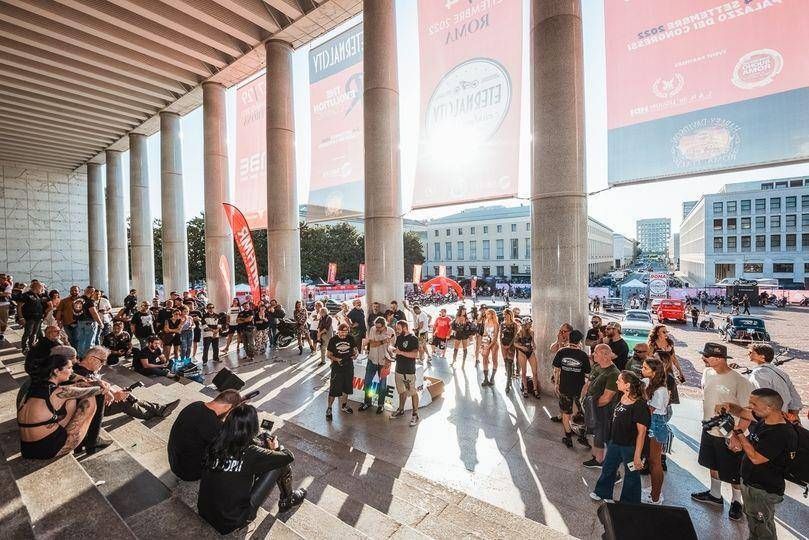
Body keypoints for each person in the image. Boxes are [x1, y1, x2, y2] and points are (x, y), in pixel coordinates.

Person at [197, 404, 306, 534]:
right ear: (253, 427)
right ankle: (287, 500)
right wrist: (276, 449)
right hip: (232, 521)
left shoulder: (215, 442)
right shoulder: (250, 452)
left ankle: (287, 499)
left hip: (205, 510)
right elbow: (288, 457)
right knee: (279, 464)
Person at [721, 389, 799, 540]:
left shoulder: (780, 433)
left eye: (754, 404)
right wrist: (729, 406)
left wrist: (738, 434)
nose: (750, 406)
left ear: (769, 408)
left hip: (762, 490)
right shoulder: (766, 418)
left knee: (763, 529)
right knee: (754, 523)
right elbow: (743, 412)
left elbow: (756, 458)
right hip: (751, 484)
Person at [691, 342, 754, 522]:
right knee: (713, 464)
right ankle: (715, 494)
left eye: (707, 356)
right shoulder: (707, 372)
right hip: (710, 428)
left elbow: (747, 412)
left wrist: (737, 435)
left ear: (719, 359)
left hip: (730, 434)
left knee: (734, 471)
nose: (703, 358)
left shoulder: (741, 382)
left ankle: (736, 502)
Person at [17, 353, 104, 459]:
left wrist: (87, 381)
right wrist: (104, 387)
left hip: (27, 449)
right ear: (56, 371)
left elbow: (73, 386)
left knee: (72, 397)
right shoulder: (58, 392)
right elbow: (94, 390)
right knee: (89, 400)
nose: (72, 371)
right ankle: (90, 442)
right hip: (47, 451)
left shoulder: (34, 387)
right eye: (70, 368)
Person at [73, 346, 179, 422]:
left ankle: (159, 409)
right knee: (124, 402)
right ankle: (150, 415)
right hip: (91, 409)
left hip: (96, 404)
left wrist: (116, 393)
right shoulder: (82, 375)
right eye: (102, 361)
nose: (103, 365)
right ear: (91, 359)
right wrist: (115, 396)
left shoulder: (83, 370)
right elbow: (90, 397)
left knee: (127, 395)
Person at [590, 371, 650, 503]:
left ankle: (629, 502)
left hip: (630, 447)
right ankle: (602, 492)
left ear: (627, 385)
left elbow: (642, 432)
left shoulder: (639, 405)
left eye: (619, 380)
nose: (616, 382)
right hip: (615, 442)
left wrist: (637, 455)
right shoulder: (621, 396)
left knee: (631, 475)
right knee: (608, 467)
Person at [167, 390, 242, 481]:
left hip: (174, 461)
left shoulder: (195, 405)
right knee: (233, 459)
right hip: (188, 473)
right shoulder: (213, 425)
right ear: (228, 407)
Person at [582, 344, 621, 468]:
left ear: (605, 355)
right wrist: (583, 399)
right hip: (592, 407)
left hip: (604, 411)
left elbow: (606, 398)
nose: (593, 355)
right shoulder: (597, 366)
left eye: (596, 353)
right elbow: (588, 383)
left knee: (601, 435)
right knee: (595, 433)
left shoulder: (614, 373)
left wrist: (590, 405)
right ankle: (596, 457)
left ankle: (601, 461)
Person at [742, 343, 803, 420]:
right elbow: (795, 399)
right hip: (784, 417)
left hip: (768, 418)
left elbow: (763, 398)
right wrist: (793, 417)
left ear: (762, 357)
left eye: (751, 352)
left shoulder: (758, 373)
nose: (748, 354)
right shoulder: (781, 373)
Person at [552, 330, 590, 448]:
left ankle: (568, 438)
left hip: (564, 387)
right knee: (582, 413)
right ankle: (582, 436)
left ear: (568, 339)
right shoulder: (583, 355)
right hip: (579, 389)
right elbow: (588, 373)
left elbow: (557, 369)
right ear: (580, 341)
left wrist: (556, 384)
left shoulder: (561, 351)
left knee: (565, 413)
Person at [641, 357, 671, 505]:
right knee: (651, 460)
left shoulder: (661, 391)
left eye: (645, 368)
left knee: (655, 462)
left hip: (656, 425)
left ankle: (655, 496)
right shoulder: (649, 383)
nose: (642, 370)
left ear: (654, 372)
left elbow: (650, 410)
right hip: (650, 423)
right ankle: (654, 489)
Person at [325, 323, 358, 420]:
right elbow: (328, 355)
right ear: (338, 331)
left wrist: (355, 354)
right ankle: (329, 408)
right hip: (337, 368)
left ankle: (344, 406)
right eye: (342, 332)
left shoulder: (350, 338)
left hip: (348, 367)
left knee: (346, 388)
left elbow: (355, 350)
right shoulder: (333, 340)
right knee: (334, 390)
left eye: (345, 332)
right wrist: (337, 359)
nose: (343, 334)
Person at [361, 316, 394, 413]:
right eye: (376, 326)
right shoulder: (372, 329)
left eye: (379, 327)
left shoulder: (391, 331)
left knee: (383, 385)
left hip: (384, 362)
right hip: (372, 360)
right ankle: (367, 402)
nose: (377, 329)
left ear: (384, 326)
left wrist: (390, 359)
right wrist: (382, 341)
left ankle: (381, 405)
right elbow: (372, 344)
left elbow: (393, 348)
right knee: (367, 382)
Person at [391, 320, 420, 426]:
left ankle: (415, 414)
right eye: (396, 329)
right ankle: (401, 410)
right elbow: (397, 350)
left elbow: (415, 355)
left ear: (405, 327)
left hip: (408, 371)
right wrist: (392, 350)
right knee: (401, 391)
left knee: (412, 392)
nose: (397, 331)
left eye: (399, 329)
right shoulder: (399, 338)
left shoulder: (413, 338)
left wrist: (400, 352)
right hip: (398, 369)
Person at [514, 318, 541, 399]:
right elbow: (515, 343)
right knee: (524, 372)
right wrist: (522, 347)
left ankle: (535, 390)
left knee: (535, 372)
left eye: (531, 324)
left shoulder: (531, 332)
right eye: (529, 324)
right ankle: (525, 389)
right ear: (525, 324)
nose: (530, 325)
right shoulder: (519, 333)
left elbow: (532, 341)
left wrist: (534, 345)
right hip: (522, 353)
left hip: (530, 352)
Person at [20, 281, 47, 353]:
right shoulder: (26, 295)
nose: (42, 289)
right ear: (36, 287)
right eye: (41, 287)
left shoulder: (37, 295)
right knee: (28, 332)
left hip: (38, 318)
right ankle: (24, 347)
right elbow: (19, 306)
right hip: (29, 317)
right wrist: (21, 317)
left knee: (34, 333)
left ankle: (31, 346)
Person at [480, 308, 500, 387]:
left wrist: (489, 346)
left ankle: (492, 377)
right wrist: (483, 344)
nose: (487, 315)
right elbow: (485, 333)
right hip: (486, 341)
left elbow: (495, 337)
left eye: (488, 313)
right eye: (486, 313)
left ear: (492, 315)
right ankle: (485, 378)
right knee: (485, 358)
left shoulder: (496, 324)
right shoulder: (486, 322)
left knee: (494, 359)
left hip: (494, 343)